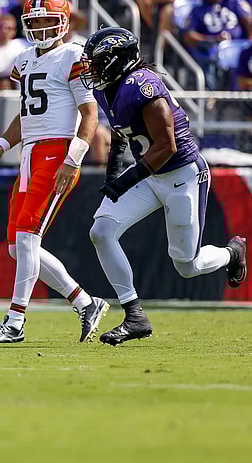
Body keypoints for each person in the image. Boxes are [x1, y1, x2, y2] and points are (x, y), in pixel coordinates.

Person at [80, 27, 247, 346]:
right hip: (150, 174)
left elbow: (167, 146)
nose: (93, 70)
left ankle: (232, 252)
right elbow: (119, 131)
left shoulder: (144, 86)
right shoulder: (108, 88)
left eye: (99, 63)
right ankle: (134, 314)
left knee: (188, 265)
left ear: (117, 61)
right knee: (101, 231)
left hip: (181, 175)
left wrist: (127, 180)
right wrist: (113, 172)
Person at [0, 0, 109, 344]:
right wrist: (4, 142)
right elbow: (28, 112)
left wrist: (72, 159)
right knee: (15, 246)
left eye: (48, 21)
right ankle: (85, 301)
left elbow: (90, 114)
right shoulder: (23, 58)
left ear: (63, 22)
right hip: (30, 155)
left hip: (57, 152)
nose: (41, 28)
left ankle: (15, 321)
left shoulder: (73, 55)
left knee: (26, 238)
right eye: (35, 21)